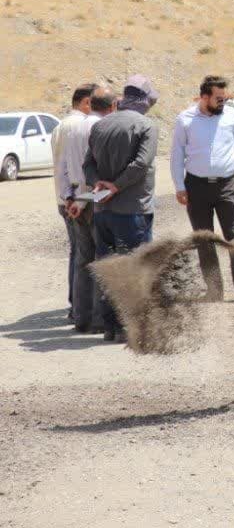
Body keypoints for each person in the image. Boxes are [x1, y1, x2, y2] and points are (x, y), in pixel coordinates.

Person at [84, 74, 159, 343]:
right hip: (133, 211)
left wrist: (99, 185)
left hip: (102, 211)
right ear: (144, 102)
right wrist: (116, 186)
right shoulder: (146, 126)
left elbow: (88, 165)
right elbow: (140, 165)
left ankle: (111, 326)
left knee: (108, 267)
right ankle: (133, 327)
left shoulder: (101, 126)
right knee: (134, 268)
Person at [171, 75, 234, 305]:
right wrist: (179, 186)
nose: (223, 103)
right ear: (204, 96)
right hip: (196, 187)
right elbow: (177, 155)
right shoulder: (185, 120)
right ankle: (214, 289)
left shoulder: (231, 116)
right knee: (204, 239)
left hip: (227, 185)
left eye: (225, 99)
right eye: (218, 99)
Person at [61, 85, 110, 332]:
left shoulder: (72, 127)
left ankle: (81, 317)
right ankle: (100, 319)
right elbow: (98, 170)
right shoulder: (98, 128)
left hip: (76, 199)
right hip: (94, 199)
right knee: (101, 258)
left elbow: (63, 168)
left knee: (82, 260)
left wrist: (69, 198)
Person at [51, 83, 97, 323]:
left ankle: (76, 305)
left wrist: (66, 197)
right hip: (79, 198)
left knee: (77, 251)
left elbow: (59, 168)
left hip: (65, 196)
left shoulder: (61, 126)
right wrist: (74, 198)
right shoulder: (80, 126)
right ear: (86, 102)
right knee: (83, 252)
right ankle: (80, 306)